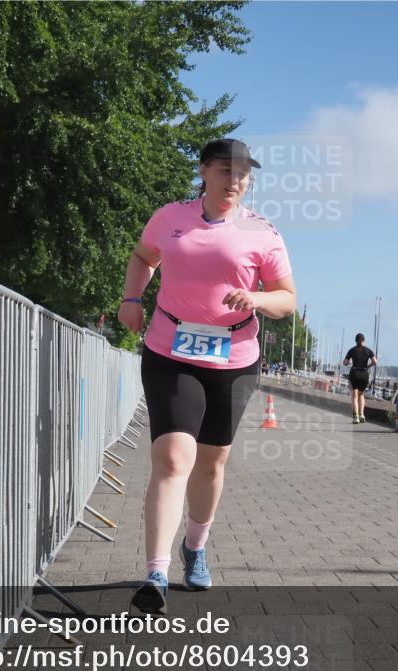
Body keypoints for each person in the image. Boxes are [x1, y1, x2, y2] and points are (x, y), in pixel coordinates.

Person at [118, 138, 296, 614]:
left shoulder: (263, 233)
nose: (233, 180)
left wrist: (258, 300)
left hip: (234, 358)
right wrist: (132, 298)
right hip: (171, 349)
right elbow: (143, 257)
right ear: (203, 171)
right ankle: (155, 574)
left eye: (242, 174)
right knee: (174, 458)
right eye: (223, 170)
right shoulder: (170, 217)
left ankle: (194, 548)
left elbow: (287, 298)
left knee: (212, 463)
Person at [343, 333, 377, 423]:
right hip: (364, 374)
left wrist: (349, 362)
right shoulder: (368, 350)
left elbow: (345, 362)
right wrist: (368, 366)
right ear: (364, 340)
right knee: (361, 395)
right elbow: (375, 361)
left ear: (355, 340)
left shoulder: (352, 350)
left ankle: (356, 417)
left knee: (355, 395)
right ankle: (362, 414)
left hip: (355, 373)